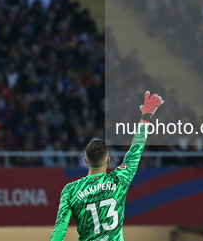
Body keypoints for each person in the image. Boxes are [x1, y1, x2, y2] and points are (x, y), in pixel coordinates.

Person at [50, 92, 164, 241]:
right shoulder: (119, 179)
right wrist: (145, 117)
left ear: (85, 161)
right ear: (108, 160)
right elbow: (136, 150)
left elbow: (59, 230)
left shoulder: (70, 190)